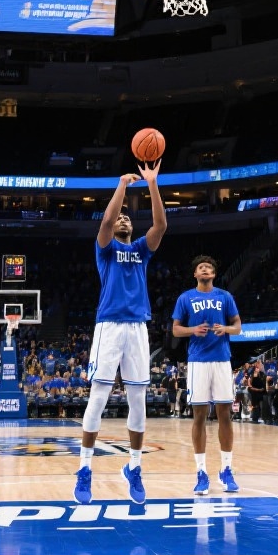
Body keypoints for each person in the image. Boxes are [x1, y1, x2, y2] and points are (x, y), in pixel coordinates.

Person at [74, 161, 166, 506]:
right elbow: (105, 222)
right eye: (120, 218)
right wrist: (122, 186)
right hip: (109, 326)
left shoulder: (141, 250)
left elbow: (161, 225)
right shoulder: (106, 249)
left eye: (128, 217)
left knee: (138, 400)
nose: (123, 219)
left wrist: (152, 183)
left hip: (137, 328)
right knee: (98, 397)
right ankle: (85, 469)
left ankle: (135, 467)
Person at [171, 255, 242, 495]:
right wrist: (193, 330)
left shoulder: (225, 296)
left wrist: (226, 329)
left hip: (222, 360)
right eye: (201, 267)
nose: (205, 269)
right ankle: (201, 472)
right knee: (199, 416)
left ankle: (226, 469)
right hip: (198, 362)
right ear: (195, 274)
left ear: (214, 274)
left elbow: (238, 326)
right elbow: (176, 329)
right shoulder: (185, 298)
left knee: (225, 415)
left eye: (209, 267)